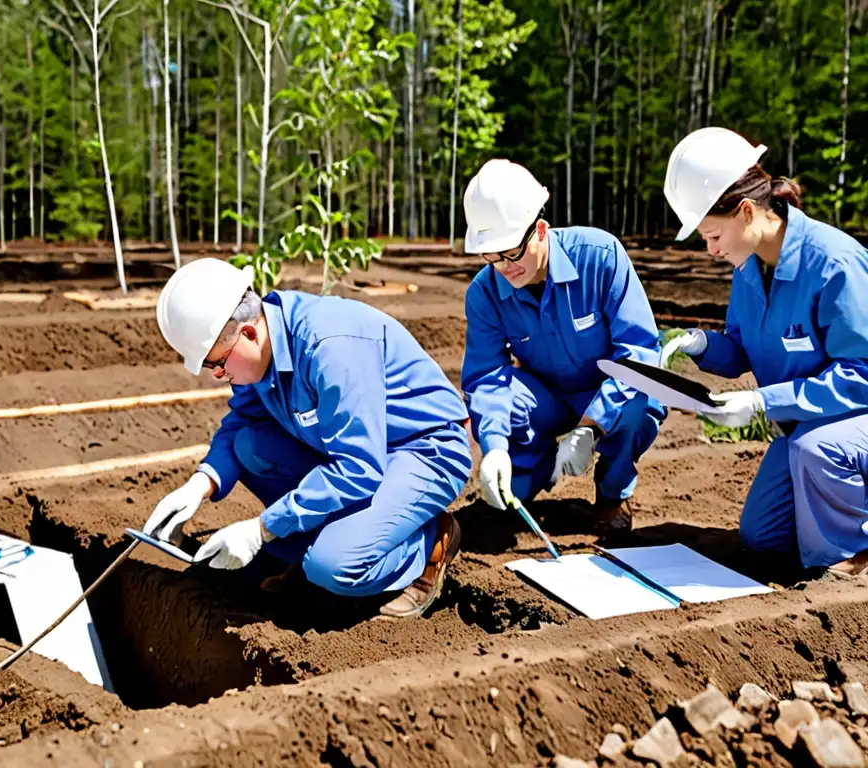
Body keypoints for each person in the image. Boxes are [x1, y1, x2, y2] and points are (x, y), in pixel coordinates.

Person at [142, 258, 473, 617]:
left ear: (249, 333)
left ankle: (429, 544)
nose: (218, 375)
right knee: (249, 447)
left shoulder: (330, 348)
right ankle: (333, 544)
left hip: (423, 450)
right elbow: (242, 421)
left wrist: (262, 528)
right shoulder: (264, 347)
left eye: (217, 364)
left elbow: (358, 466)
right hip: (357, 454)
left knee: (332, 565)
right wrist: (201, 483)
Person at [660, 126, 868, 575]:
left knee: (818, 451)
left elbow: (862, 374)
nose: (710, 249)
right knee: (763, 537)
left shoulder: (834, 263)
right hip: (808, 428)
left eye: (712, 235)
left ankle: (855, 557)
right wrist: (698, 343)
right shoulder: (749, 267)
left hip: (847, 425)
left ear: (747, 211)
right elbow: (740, 350)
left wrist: (762, 401)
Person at [460, 159, 666, 534]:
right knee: (507, 465)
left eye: (511, 252)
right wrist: (493, 447)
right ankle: (523, 472)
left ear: (540, 230)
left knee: (641, 403)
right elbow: (487, 377)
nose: (504, 267)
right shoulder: (485, 292)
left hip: (607, 392)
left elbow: (639, 353)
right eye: (491, 256)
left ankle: (611, 496)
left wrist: (590, 426)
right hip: (546, 398)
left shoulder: (600, 256)